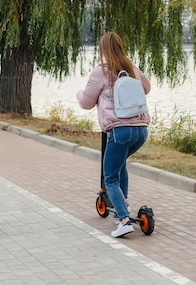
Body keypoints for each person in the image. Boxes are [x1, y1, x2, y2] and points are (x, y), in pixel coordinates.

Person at [77, 32, 151, 238]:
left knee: (110, 177)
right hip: (141, 130)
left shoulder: (101, 71)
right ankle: (123, 202)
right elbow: (147, 89)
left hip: (120, 131)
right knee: (120, 165)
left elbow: (85, 102)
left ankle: (124, 220)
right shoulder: (132, 68)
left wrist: (78, 94)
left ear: (102, 50)